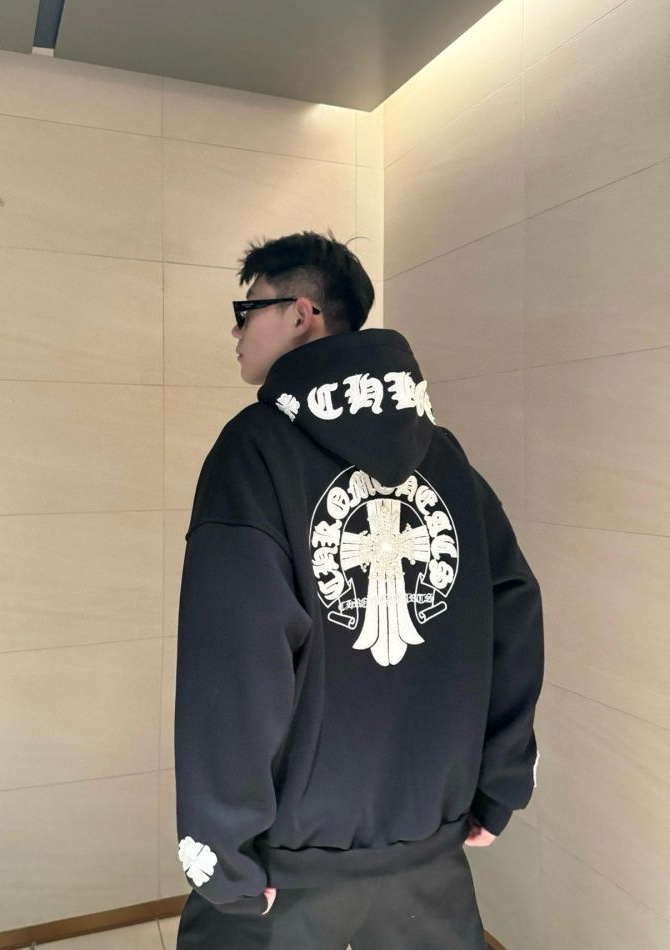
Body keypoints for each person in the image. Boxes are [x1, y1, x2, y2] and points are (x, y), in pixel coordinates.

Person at [173, 229, 544, 949]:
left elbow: (234, 659)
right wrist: (500, 783)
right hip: (429, 851)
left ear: (301, 314)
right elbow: (514, 610)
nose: (235, 331)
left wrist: (222, 851)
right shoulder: (446, 454)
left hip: (288, 870)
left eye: (246, 310)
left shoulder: (253, 450)